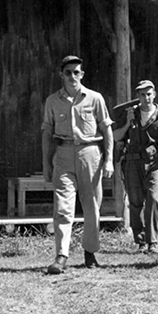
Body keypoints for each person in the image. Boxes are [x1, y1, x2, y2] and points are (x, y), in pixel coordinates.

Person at [42, 55, 114, 274]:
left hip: (90, 153)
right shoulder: (52, 101)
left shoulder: (95, 98)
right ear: (61, 75)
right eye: (68, 72)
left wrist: (109, 159)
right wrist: (46, 163)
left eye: (76, 72)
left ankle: (90, 253)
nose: (72, 76)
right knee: (63, 207)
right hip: (63, 154)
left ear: (82, 75)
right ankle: (61, 256)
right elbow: (46, 132)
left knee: (92, 205)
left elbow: (106, 130)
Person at [113, 80, 158, 254]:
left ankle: (153, 242)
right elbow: (116, 137)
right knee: (135, 201)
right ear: (138, 96)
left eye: (149, 94)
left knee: (154, 198)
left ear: (154, 94)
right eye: (142, 94)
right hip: (132, 163)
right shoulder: (130, 114)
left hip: (154, 163)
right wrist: (127, 123)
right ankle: (141, 240)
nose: (146, 97)